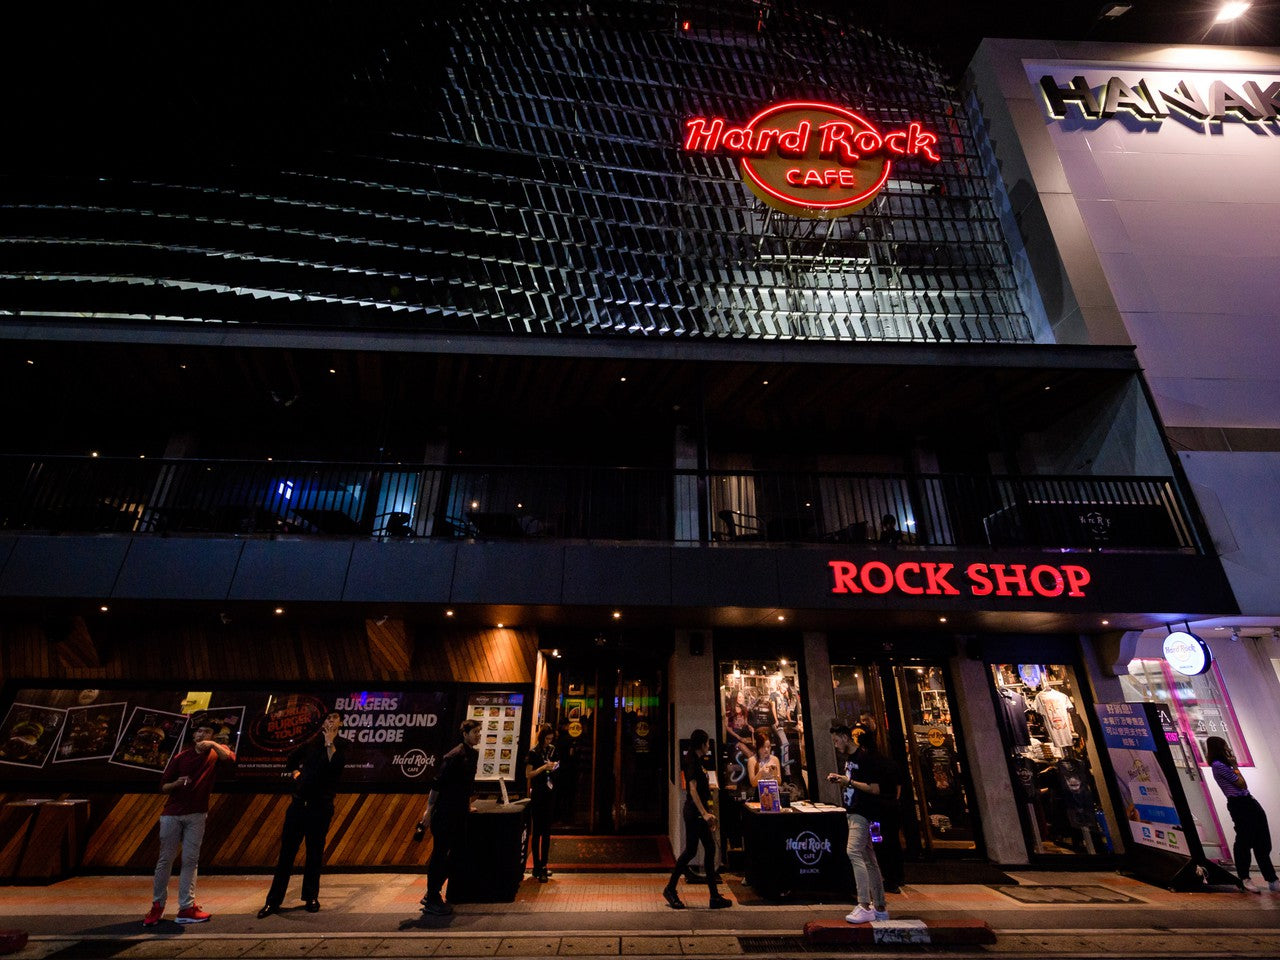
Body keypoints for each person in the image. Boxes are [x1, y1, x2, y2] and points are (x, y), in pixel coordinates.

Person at [143, 722, 236, 926]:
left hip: (197, 815)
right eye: (200, 731)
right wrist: (176, 784)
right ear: (194, 735)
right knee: (165, 860)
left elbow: (229, 758)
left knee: (190, 860)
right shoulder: (181, 757)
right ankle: (157, 906)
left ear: (213, 736)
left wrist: (212, 743)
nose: (202, 734)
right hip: (172, 815)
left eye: (207, 732)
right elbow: (163, 786)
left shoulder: (215, 753)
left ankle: (186, 907)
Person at [258, 711, 347, 918]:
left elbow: (335, 766)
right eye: (327, 718)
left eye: (334, 718)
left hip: (321, 807)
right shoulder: (310, 743)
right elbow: (291, 760)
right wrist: (297, 775)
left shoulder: (342, 745)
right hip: (299, 805)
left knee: (314, 853)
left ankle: (311, 897)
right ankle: (273, 901)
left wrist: (329, 743)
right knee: (286, 854)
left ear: (341, 723)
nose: (330, 721)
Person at [828, 722, 890, 925]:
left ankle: (864, 904)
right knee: (868, 858)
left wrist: (849, 782)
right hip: (854, 810)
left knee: (853, 852)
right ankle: (880, 907)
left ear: (846, 737)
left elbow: (875, 788)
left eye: (837, 741)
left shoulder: (864, 758)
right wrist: (841, 779)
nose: (836, 745)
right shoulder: (851, 759)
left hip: (862, 812)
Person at [419, 719, 483, 915]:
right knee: (440, 854)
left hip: (458, 811)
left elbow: (466, 786)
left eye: (479, 732)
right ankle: (432, 895)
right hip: (446, 812)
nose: (478, 735)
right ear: (465, 734)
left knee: (457, 853)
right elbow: (437, 783)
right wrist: (429, 811)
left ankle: (432, 892)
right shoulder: (454, 756)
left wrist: (467, 805)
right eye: (475, 732)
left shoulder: (472, 754)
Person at [663, 728, 731, 910]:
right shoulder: (692, 761)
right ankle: (673, 889)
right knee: (698, 851)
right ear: (702, 744)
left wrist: (708, 812)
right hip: (694, 814)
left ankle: (711, 895)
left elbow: (702, 790)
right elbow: (692, 790)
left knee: (699, 850)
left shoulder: (697, 760)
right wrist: (705, 813)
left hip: (697, 813)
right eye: (708, 743)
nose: (709, 746)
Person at [1206, 736, 1279, 893]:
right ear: (1219, 748)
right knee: (1244, 841)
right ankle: (1245, 877)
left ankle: (1272, 878)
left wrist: (1234, 767)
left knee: (1262, 841)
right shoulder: (1218, 765)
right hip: (1238, 805)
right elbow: (1241, 783)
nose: (1228, 749)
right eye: (1225, 746)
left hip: (1249, 801)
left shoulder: (1225, 765)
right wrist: (1235, 767)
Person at [525, 722, 559, 882]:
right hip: (538, 792)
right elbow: (528, 774)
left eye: (551, 739)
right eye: (547, 738)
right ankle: (536, 866)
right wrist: (543, 767)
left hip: (549, 792)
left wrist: (553, 767)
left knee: (546, 832)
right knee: (537, 830)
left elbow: (553, 767)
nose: (549, 741)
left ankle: (544, 864)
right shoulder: (534, 752)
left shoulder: (551, 750)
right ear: (541, 737)